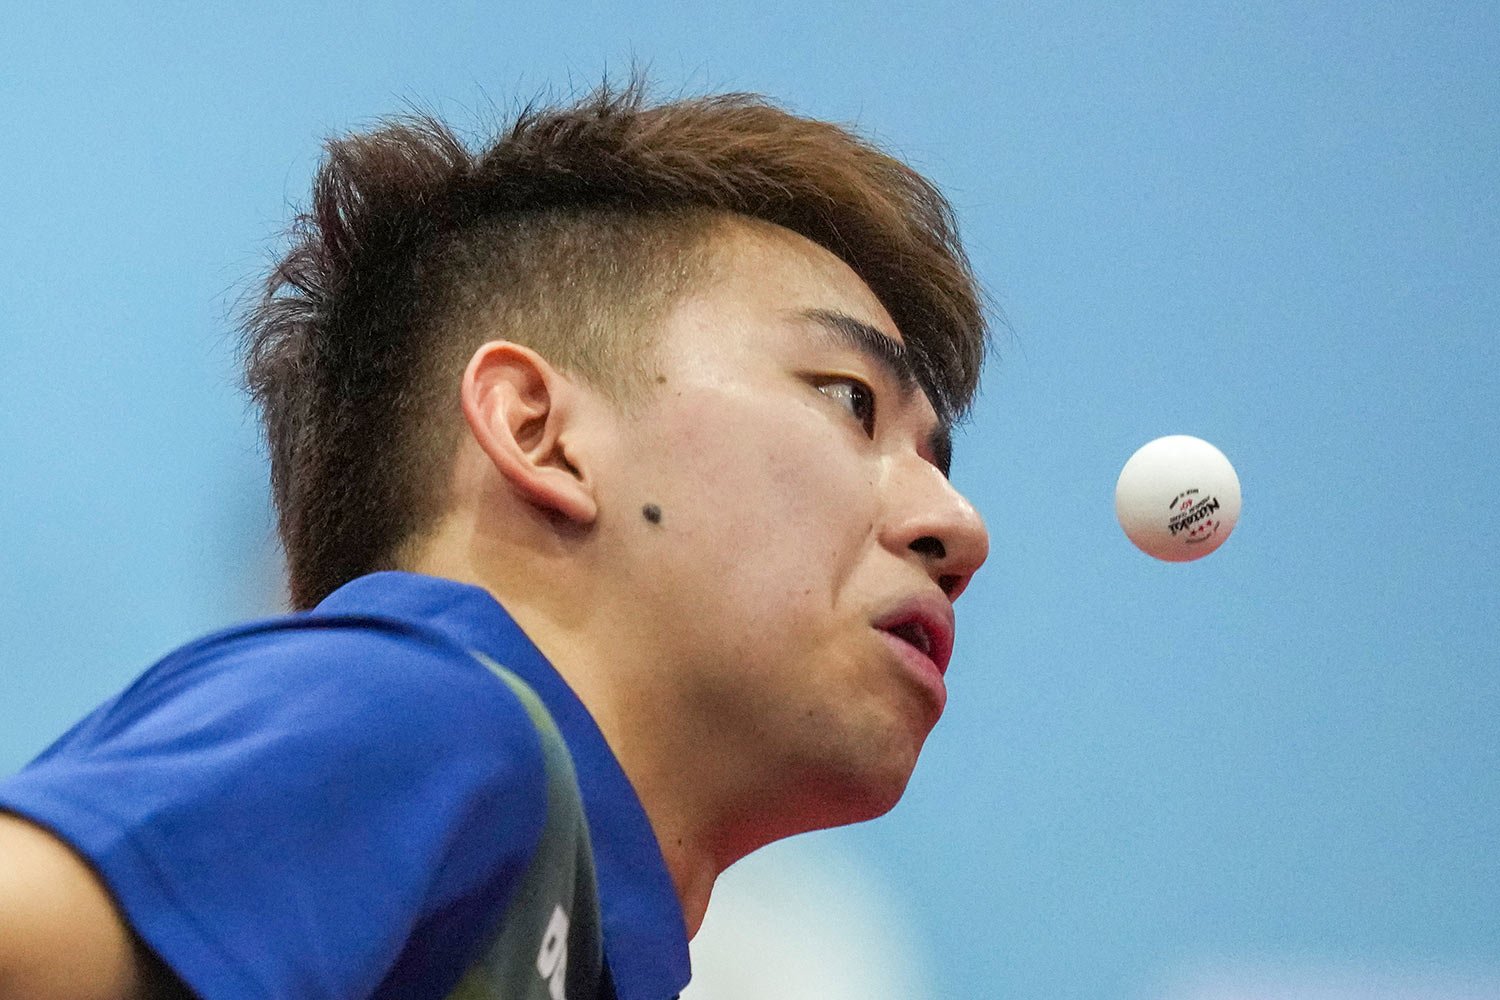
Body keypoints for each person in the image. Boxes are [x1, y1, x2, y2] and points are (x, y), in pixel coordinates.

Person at [0, 81, 990, 1000]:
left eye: (938, 458)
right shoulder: (427, 719)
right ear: (536, 431)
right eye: (848, 401)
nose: (958, 525)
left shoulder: (550, 917)